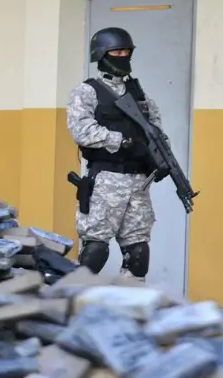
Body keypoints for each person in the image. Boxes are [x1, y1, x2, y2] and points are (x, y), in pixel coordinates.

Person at [66, 27, 168, 282]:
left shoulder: (141, 95)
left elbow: (156, 130)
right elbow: (81, 130)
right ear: (102, 54)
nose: (122, 56)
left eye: (126, 51)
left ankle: (127, 310)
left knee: (138, 253)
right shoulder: (87, 91)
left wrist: (160, 158)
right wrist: (122, 142)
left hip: (139, 183)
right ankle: (74, 305)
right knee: (96, 251)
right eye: (117, 51)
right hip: (106, 182)